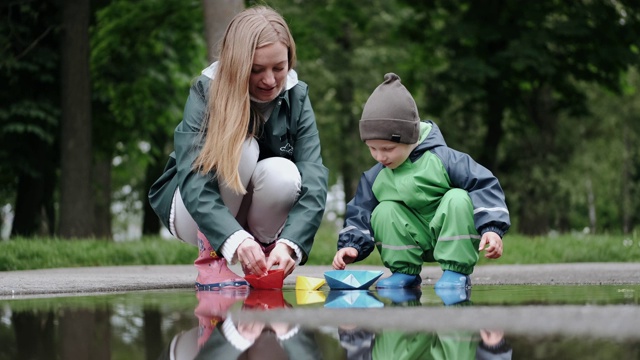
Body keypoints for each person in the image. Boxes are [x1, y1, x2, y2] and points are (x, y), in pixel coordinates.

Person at [148, 5, 329, 291]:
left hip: (251, 208)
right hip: (191, 212)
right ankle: (211, 261)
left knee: (285, 173)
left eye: (279, 68)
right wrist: (234, 237)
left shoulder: (297, 94)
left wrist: (291, 244)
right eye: (256, 70)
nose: (270, 81)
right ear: (237, 64)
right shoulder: (206, 90)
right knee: (243, 147)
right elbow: (194, 179)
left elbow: (314, 178)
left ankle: (265, 255)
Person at [332, 73, 510, 298]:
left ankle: (456, 271)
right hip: (412, 235)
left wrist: (492, 229)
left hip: (449, 231)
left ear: (410, 137)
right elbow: (360, 210)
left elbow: (484, 184)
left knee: (457, 197)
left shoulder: (444, 159)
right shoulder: (376, 176)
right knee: (383, 210)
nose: (379, 157)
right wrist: (352, 245)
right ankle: (403, 272)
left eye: (387, 149)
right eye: (372, 148)